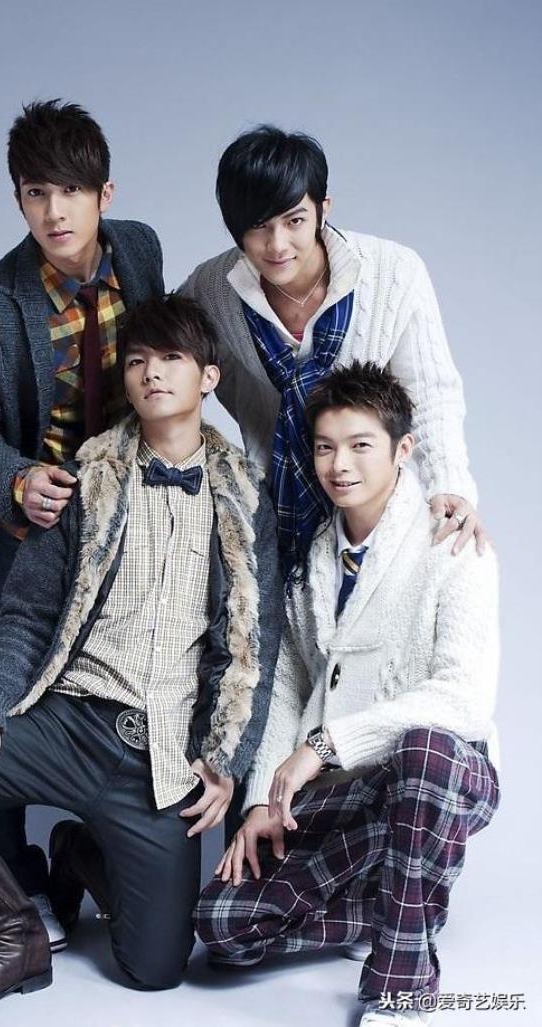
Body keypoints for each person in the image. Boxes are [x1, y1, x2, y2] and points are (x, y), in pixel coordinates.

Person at [0, 295, 283, 1019]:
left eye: (172, 359)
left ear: (209, 376)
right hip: (68, 722)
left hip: (160, 757)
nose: (152, 374)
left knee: (155, 970)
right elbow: (25, 613)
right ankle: (14, 932)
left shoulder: (246, 502)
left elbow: (252, 644)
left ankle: (82, 853)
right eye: (138, 361)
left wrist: (227, 758)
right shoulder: (85, 481)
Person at [0, 99, 164, 943]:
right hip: (35, 525)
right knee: (4, 687)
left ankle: (95, 847)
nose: (55, 212)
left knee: (127, 678)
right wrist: (16, 479)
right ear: (18, 198)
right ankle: (15, 884)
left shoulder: (141, 252)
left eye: (70, 191)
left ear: (105, 194)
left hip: (129, 527)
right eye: (35, 193)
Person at [194, 362, 499, 1027]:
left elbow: (464, 699)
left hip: (445, 775)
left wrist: (326, 743)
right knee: (222, 926)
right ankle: (401, 901)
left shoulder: (454, 544)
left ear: (403, 448)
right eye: (326, 447)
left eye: (361, 445)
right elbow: (288, 683)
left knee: (424, 750)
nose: (340, 465)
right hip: (345, 791)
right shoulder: (311, 559)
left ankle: (401, 982)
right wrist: (260, 800)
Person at [181, 125, 486, 578]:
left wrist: (449, 483)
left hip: (373, 505)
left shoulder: (394, 273)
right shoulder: (212, 288)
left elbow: (430, 392)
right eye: (259, 226)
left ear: (324, 209)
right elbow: (168, 364)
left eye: (295, 221)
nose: (278, 244)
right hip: (270, 508)